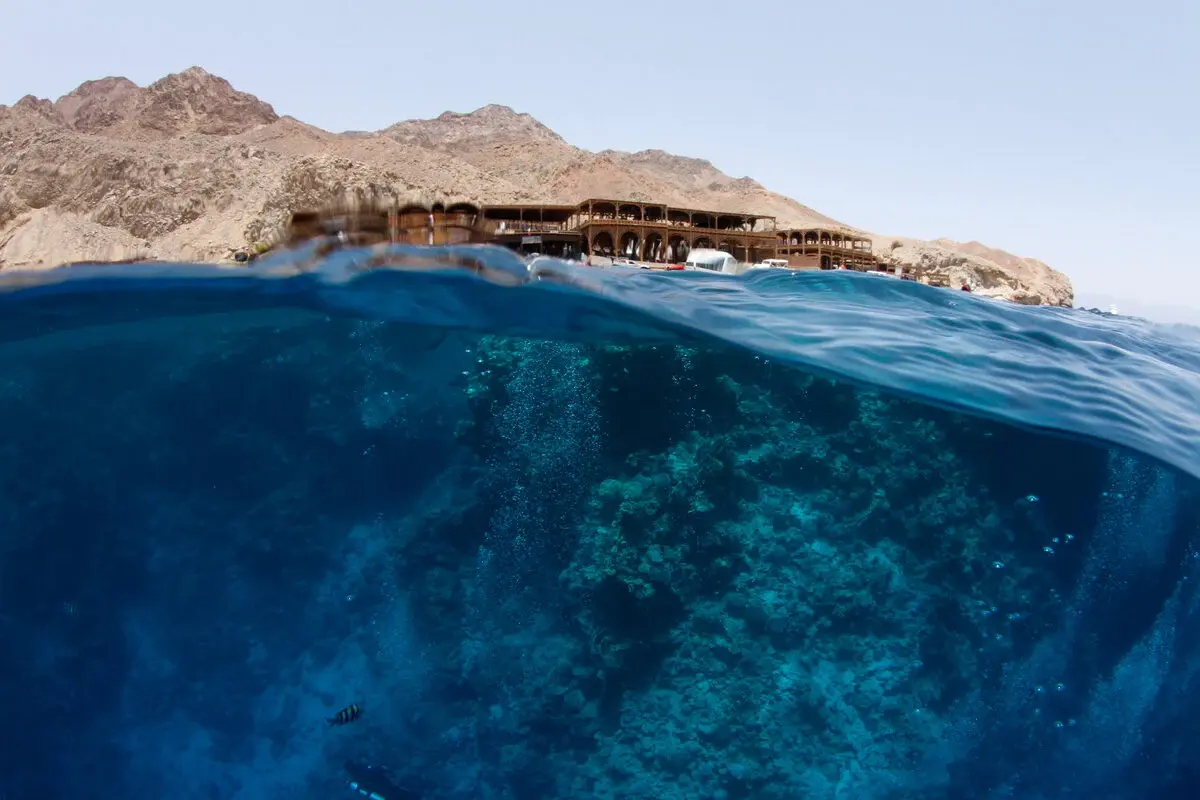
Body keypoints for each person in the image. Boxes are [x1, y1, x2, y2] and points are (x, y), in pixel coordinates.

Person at [344, 760, 421, 800]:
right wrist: (390, 773)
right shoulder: (364, 770)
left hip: (383, 795)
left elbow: (364, 792)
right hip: (389, 789)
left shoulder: (356, 780)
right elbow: (379, 769)